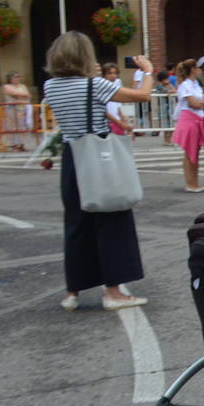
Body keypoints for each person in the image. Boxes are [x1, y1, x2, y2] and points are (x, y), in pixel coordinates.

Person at [41, 32, 155, 310]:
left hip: (73, 157)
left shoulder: (50, 86)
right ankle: (114, 292)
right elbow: (143, 95)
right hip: (99, 157)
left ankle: (73, 291)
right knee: (112, 220)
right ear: (84, 56)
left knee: (77, 224)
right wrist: (148, 71)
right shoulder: (96, 85)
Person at [171, 59, 204, 193]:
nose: (199, 69)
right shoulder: (185, 85)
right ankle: (190, 183)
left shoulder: (195, 84)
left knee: (196, 151)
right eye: (197, 67)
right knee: (189, 152)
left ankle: (195, 182)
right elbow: (194, 104)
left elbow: (199, 102)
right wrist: (203, 101)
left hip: (197, 118)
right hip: (189, 118)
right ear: (192, 69)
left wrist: (202, 102)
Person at [0, 71, 35, 151]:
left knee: (22, 126)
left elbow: (27, 95)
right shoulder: (7, 86)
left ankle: (22, 144)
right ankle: (13, 144)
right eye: (16, 77)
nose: (18, 78)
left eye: (19, 77)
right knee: (12, 126)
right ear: (10, 78)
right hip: (11, 110)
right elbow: (13, 93)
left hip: (21, 109)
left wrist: (19, 95)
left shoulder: (22, 86)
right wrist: (21, 95)